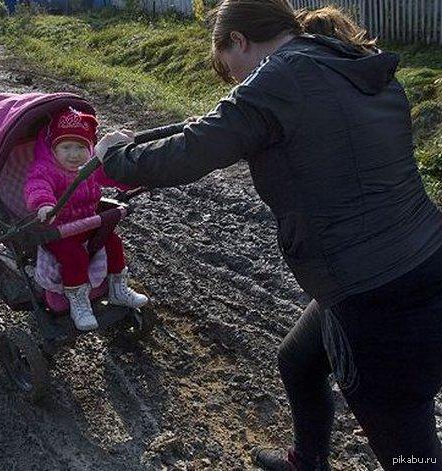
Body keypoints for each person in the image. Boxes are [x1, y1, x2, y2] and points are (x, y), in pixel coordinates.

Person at [95, 1, 442, 470]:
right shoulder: (342, 58)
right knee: (298, 359)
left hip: (373, 292)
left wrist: (115, 158)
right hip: (421, 254)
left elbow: (193, 151)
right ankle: (308, 461)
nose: (235, 82)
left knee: (408, 445)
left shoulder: (280, 78)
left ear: (238, 40)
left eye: (228, 68)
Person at [24, 108, 149, 331]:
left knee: (114, 242)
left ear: (90, 148)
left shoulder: (90, 167)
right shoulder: (45, 169)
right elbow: (37, 187)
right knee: (75, 256)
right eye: (66, 147)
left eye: (81, 147)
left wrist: (134, 178)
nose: (74, 154)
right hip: (57, 231)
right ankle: (78, 301)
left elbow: (111, 175)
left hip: (87, 225)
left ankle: (117, 289)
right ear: (53, 149)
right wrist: (44, 205)